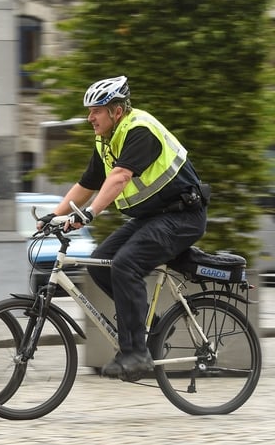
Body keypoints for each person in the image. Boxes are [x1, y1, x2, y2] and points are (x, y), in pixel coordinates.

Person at [36, 76, 208, 381]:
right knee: (100, 263)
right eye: (89, 111)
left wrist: (89, 214)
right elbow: (87, 184)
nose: (89, 117)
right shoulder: (106, 140)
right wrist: (53, 215)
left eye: (96, 111)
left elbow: (119, 177)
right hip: (153, 218)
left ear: (116, 111)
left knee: (125, 264)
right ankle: (150, 327)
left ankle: (136, 353)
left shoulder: (140, 129)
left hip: (183, 216)